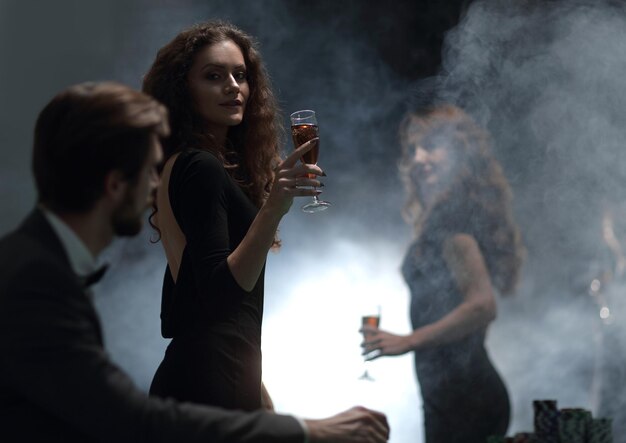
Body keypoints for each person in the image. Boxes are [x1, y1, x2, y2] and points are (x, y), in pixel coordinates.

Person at [0, 81, 390, 443]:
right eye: (150, 174)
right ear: (115, 184)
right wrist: (306, 430)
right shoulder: (35, 280)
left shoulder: (33, 263)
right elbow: (124, 417)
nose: (157, 188)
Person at [142, 20, 324, 411]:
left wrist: (261, 400)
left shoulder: (185, 164)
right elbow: (221, 297)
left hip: (215, 381)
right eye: (213, 75)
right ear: (182, 89)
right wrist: (274, 207)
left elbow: (199, 310)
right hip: (208, 389)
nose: (232, 86)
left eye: (240, 75)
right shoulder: (199, 167)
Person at [361, 104, 524, 443]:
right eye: (413, 150)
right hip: (451, 394)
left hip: (466, 397)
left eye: (431, 146)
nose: (419, 158)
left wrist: (408, 341)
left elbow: (483, 306)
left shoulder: (452, 221)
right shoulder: (444, 219)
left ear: (459, 152)